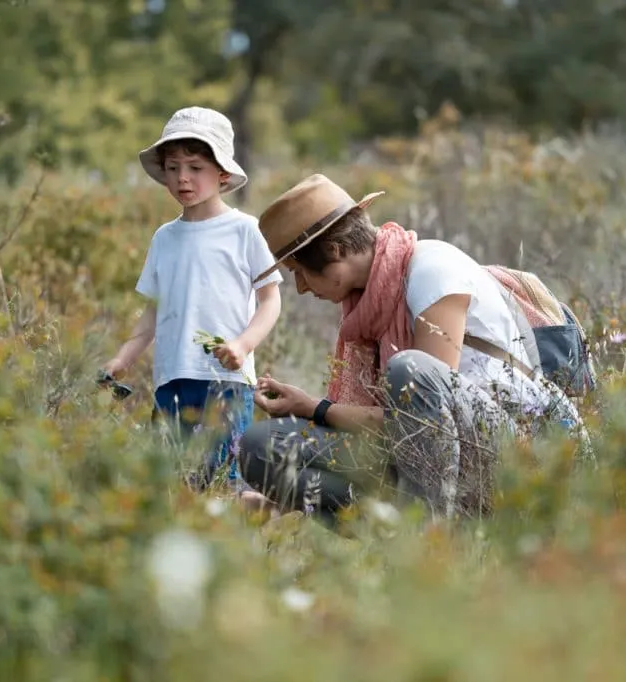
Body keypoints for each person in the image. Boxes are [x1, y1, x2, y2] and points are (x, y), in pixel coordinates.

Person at [236, 174, 587, 525]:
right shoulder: (369, 304)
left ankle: (427, 541)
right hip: (434, 451)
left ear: (334, 250)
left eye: (299, 271)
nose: (299, 287)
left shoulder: (432, 272)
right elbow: (409, 426)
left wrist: (317, 407)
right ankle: (394, 529)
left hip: (515, 444)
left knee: (411, 369)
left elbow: (424, 414)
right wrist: (309, 408)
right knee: (261, 446)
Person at [101, 106, 283, 490]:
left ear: (222, 174)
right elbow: (153, 313)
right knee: (176, 483)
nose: (182, 178)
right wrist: (122, 359)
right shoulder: (164, 238)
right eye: (172, 168)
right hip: (172, 379)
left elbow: (270, 300)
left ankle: (266, 513)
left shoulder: (244, 230)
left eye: (195, 167)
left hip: (225, 381)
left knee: (221, 483)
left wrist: (243, 344)